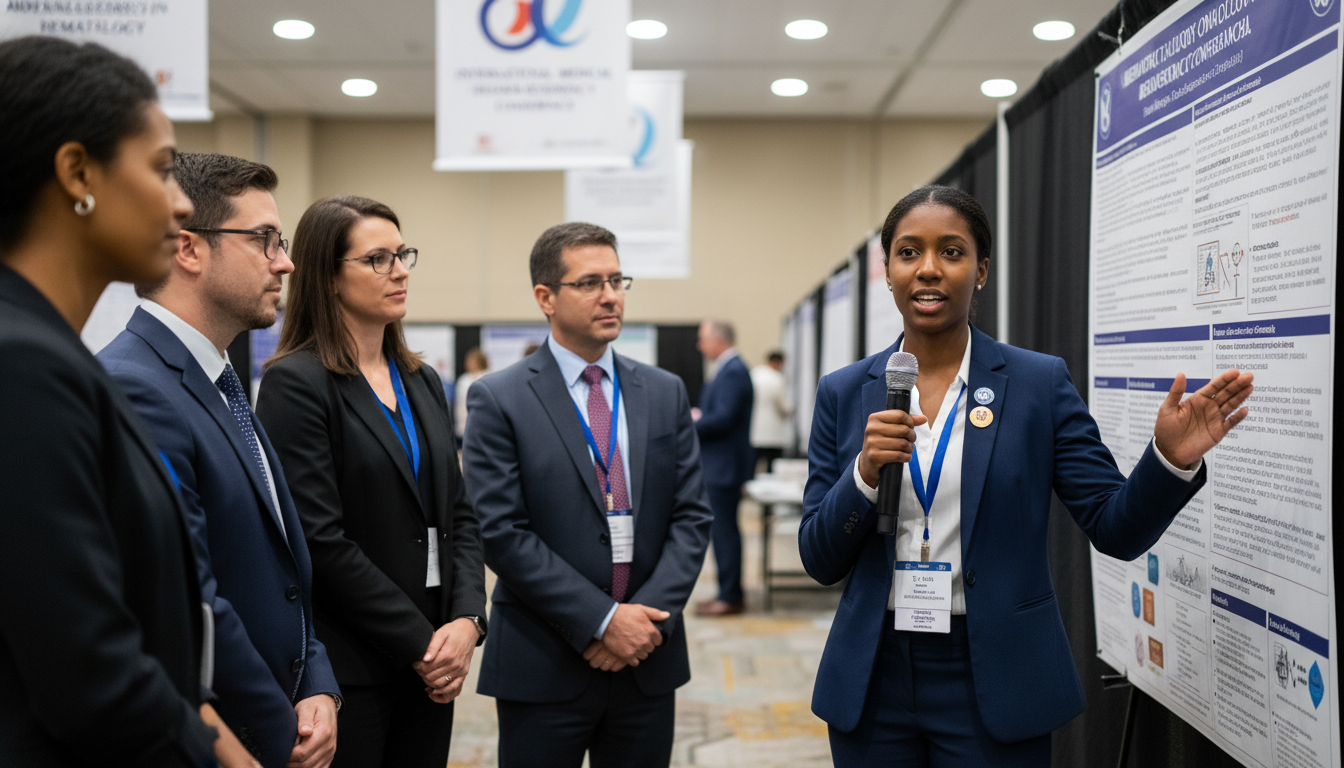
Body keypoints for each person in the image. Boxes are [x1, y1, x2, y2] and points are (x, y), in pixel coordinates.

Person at [799, 185, 1253, 767]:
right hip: (874, 676)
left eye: (952, 252)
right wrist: (863, 474)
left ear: (981, 270)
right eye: (908, 252)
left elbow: (1115, 527)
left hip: (995, 673)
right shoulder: (845, 391)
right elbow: (818, 556)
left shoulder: (1038, 384)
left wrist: (1169, 460)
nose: (929, 269)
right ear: (887, 270)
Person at [0, 36, 258, 768]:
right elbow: (89, 671)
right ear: (78, 171)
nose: (181, 205)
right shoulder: (23, 365)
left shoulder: (52, 355)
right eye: (161, 168)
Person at [97, 153, 341, 768]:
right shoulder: (135, 387)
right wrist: (275, 730)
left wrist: (318, 685)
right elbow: (187, 597)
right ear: (188, 249)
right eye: (264, 240)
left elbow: (283, 565)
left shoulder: (219, 378)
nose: (284, 261)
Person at [462, 222, 712, 768]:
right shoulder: (499, 399)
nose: (610, 295)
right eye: (591, 282)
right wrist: (601, 620)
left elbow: (692, 517)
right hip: (544, 658)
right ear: (545, 298)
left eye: (618, 280)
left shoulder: (664, 390)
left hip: (649, 656)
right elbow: (501, 532)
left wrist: (642, 624)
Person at [255, 196, 487, 768]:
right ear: (329, 278)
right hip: (357, 665)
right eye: (377, 259)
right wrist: (423, 644)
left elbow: (458, 512)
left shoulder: (422, 378)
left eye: (402, 254)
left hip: (436, 657)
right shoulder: (297, 383)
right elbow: (320, 540)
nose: (400, 270)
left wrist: (467, 621)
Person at [692, 319, 755, 617]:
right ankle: (726, 592)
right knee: (722, 532)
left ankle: (730, 597)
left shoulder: (733, 371)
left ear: (719, 340)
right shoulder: (727, 369)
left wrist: (692, 421)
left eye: (703, 339)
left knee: (725, 532)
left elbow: (723, 418)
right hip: (720, 464)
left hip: (724, 467)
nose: (700, 346)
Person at [750, 350, 792, 471]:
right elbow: (783, 405)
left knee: (753, 466)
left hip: (754, 431)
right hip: (773, 433)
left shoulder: (754, 374)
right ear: (777, 362)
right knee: (771, 468)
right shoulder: (777, 378)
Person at [453, 347, 489, 446]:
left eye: (472, 361)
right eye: (467, 361)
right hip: (463, 427)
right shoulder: (463, 379)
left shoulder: (489, 377)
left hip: (484, 428)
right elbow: (459, 405)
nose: (468, 363)